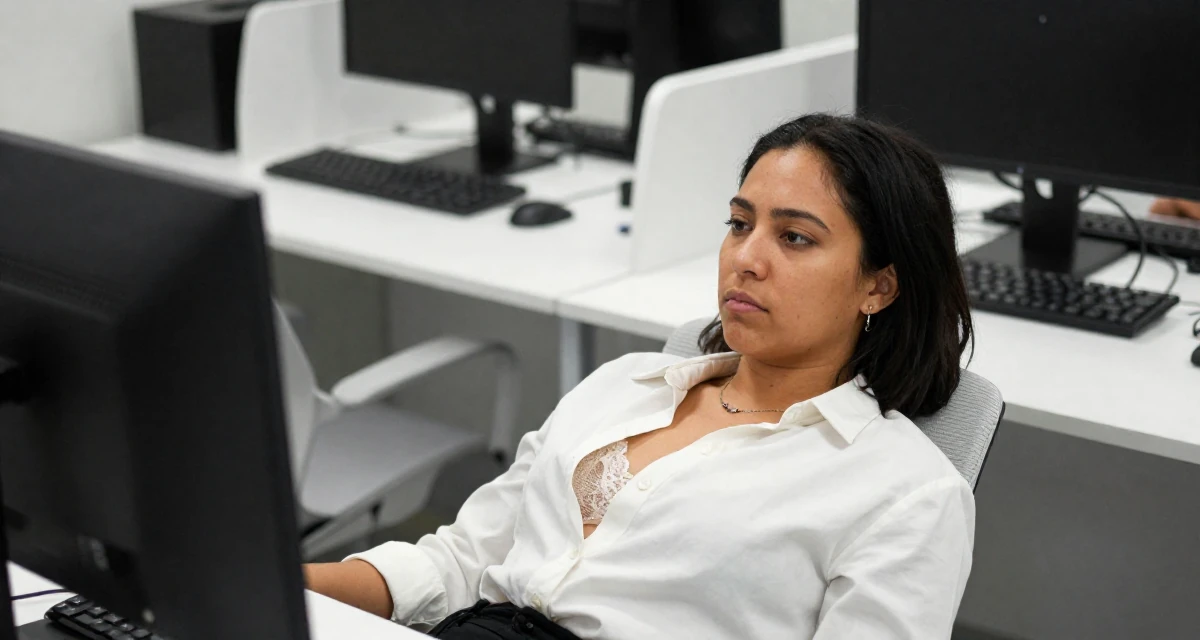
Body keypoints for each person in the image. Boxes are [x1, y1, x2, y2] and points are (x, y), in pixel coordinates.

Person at [305, 114, 977, 639]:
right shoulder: (626, 384)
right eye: (740, 224)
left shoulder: (906, 493)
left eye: (794, 237)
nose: (746, 258)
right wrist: (287, 585)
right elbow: (458, 562)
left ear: (879, 286)